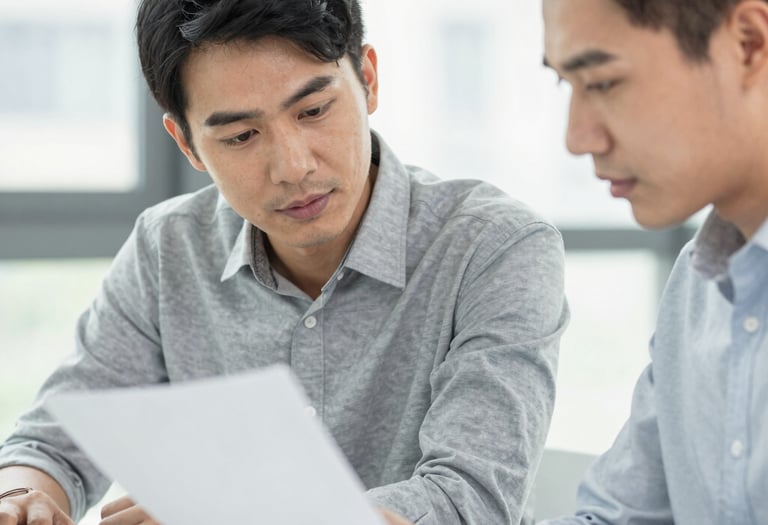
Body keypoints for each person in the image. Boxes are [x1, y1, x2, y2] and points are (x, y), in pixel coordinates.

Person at [0, 1, 568, 524]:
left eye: (315, 109)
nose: (293, 166)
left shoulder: (494, 248)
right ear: (187, 143)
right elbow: (51, 444)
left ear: (368, 79)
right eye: (243, 136)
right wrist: (27, 498)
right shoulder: (167, 248)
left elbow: (467, 500)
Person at [540, 0, 768, 523]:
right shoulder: (700, 284)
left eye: (602, 83)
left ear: (748, 44)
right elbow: (620, 515)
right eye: (564, 84)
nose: (577, 139)